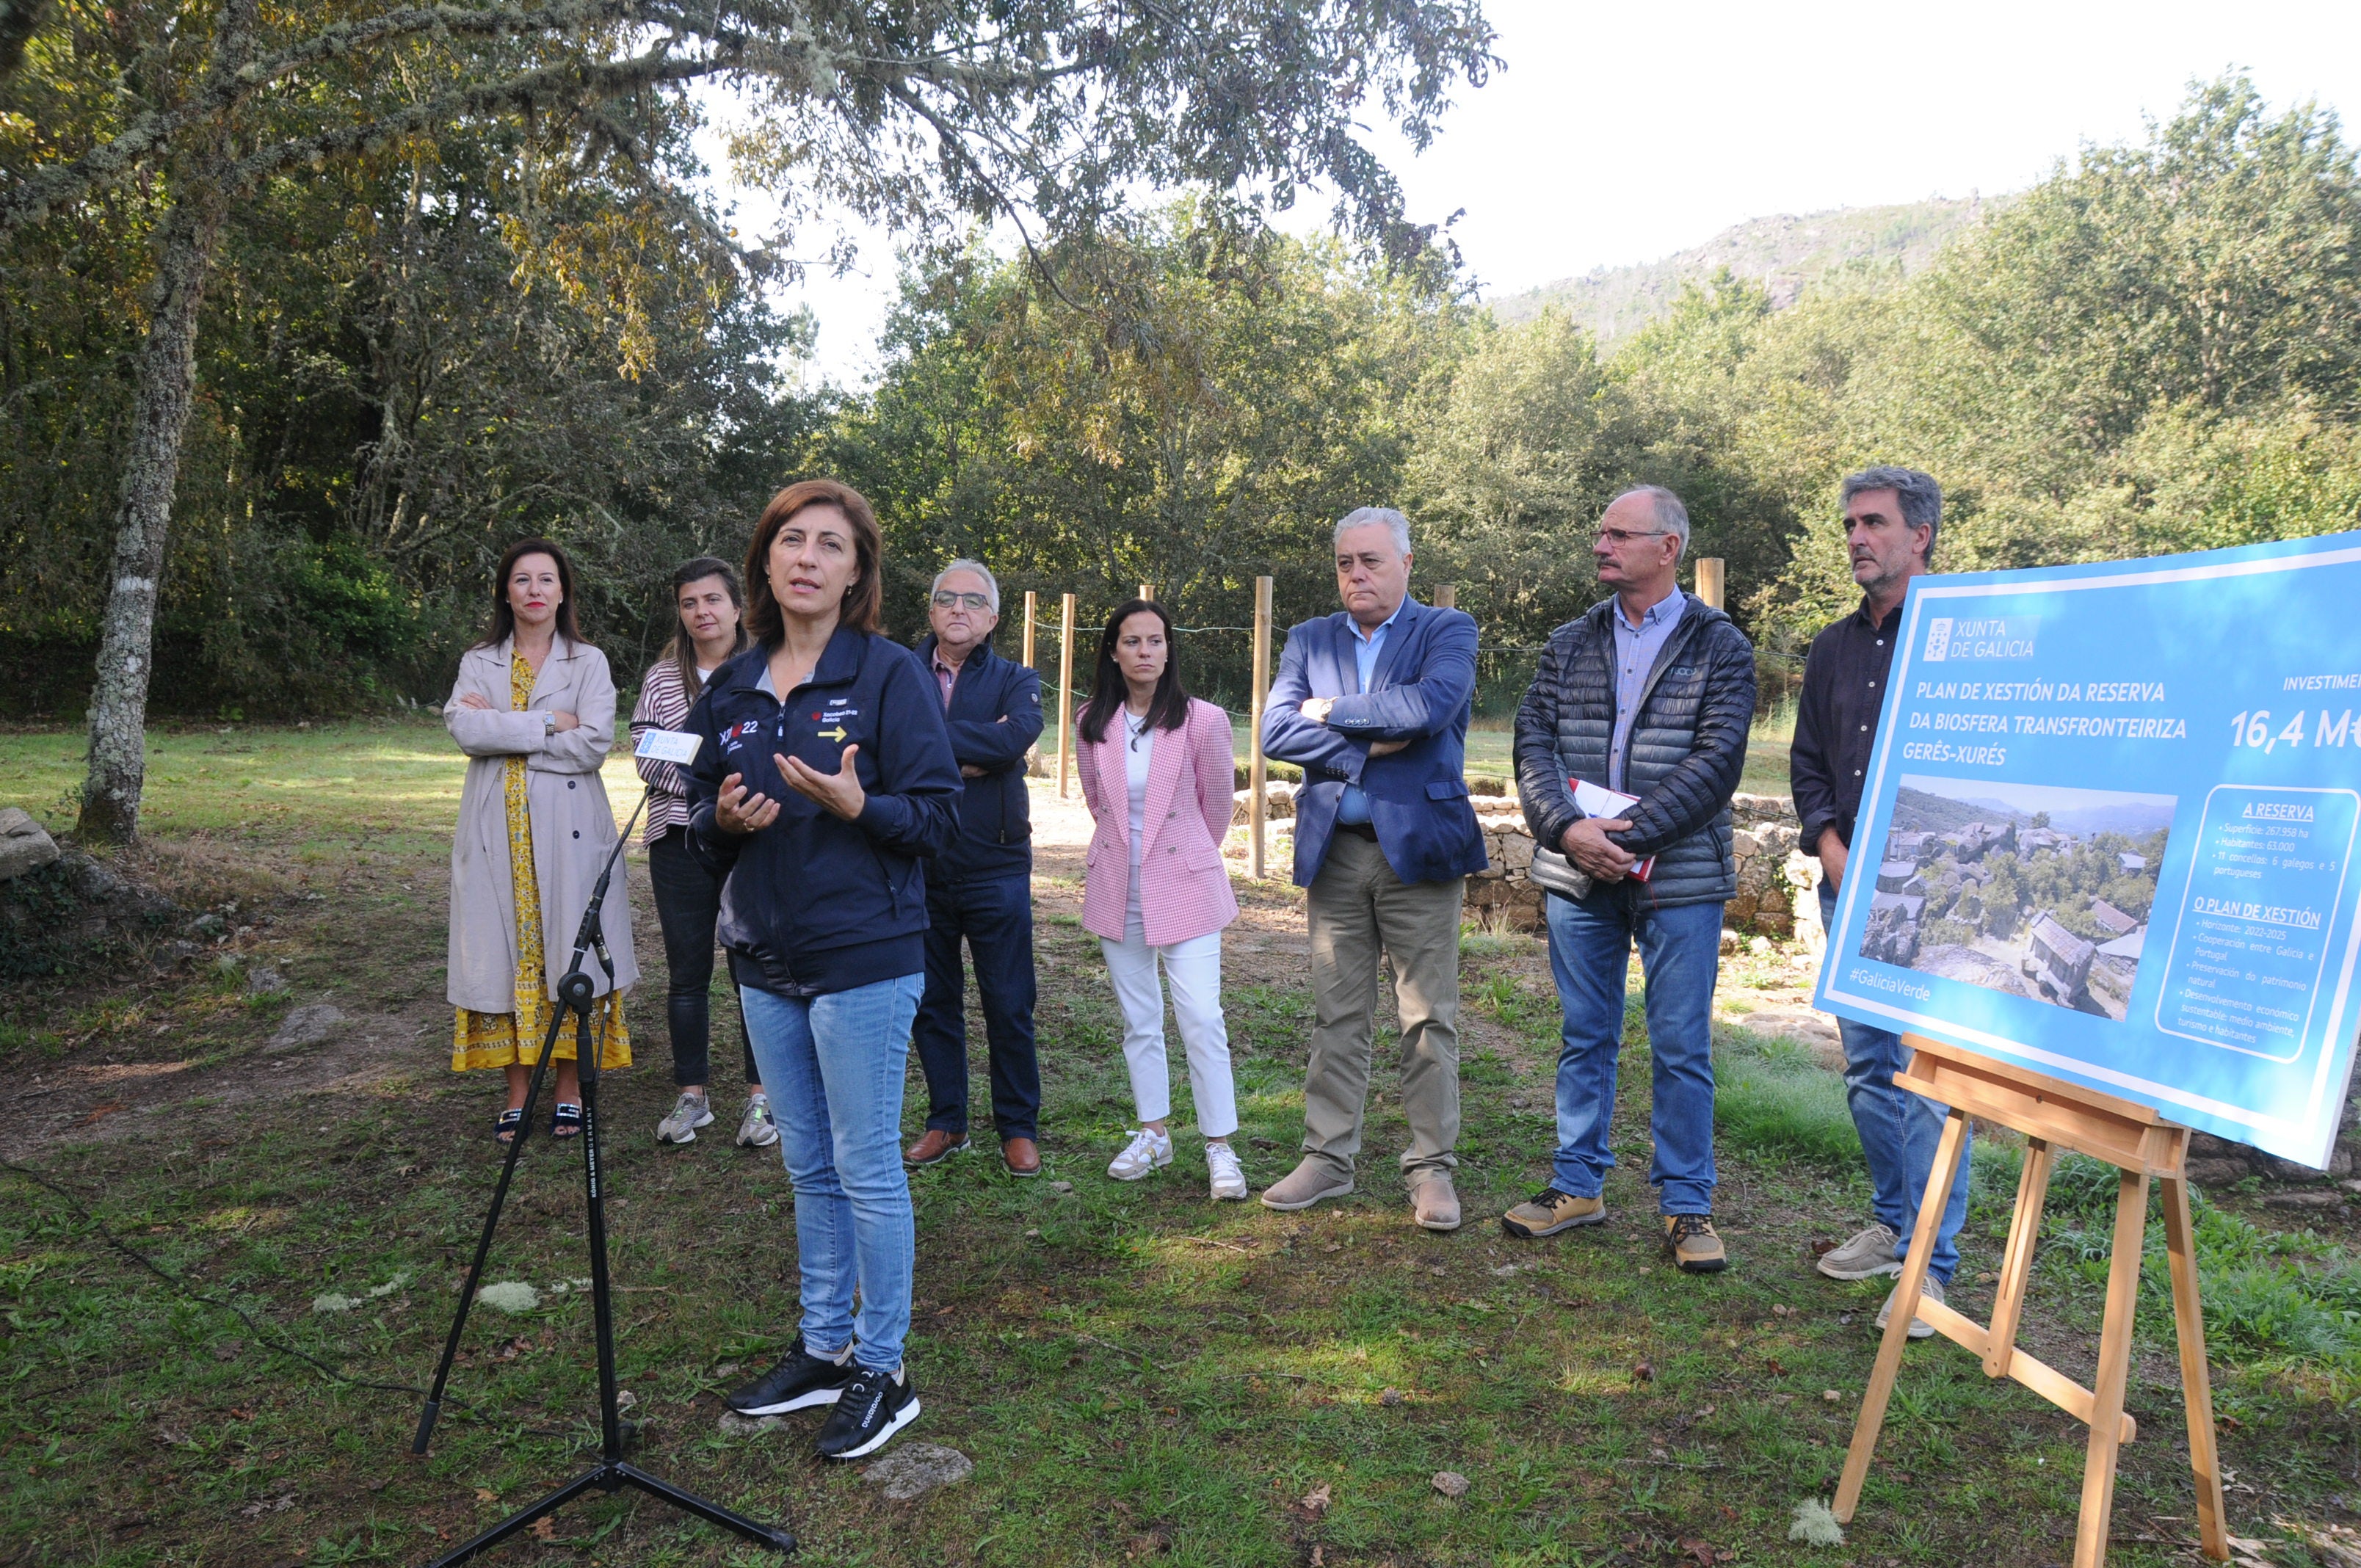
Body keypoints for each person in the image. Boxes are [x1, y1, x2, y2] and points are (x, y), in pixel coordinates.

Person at [689, 479, 962, 1461]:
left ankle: (882, 1372)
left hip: (864, 958)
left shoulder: (888, 678)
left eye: (830, 545)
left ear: (857, 573)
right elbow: (696, 832)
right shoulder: (730, 688)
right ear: (764, 562)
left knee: (865, 1164)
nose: (807, 556)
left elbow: (938, 820)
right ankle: (823, 1348)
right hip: (762, 957)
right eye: (790, 540)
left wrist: (861, 809)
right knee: (807, 1164)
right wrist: (718, 822)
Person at [1504, 486, 1755, 1274]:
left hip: (1678, 876)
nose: (1600, 545)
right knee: (1586, 1035)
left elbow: (1717, 761)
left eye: (1618, 534)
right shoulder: (1569, 641)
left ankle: (1687, 1206)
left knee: (1679, 1044)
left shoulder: (1722, 645)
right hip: (1578, 872)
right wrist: (1569, 831)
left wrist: (1631, 838)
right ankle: (1577, 1186)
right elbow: (1532, 742)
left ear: (1667, 546)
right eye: (1599, 531)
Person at [1261, 507, 1487, 1231]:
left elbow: (1429, 706)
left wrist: (1331, 711)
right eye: (1344, 563)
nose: (1356, 575)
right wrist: (1366, 745)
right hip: (1336, 854)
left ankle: (1431, 1170)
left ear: (1406, 563)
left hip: (1418, 852)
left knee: (1427, 1018)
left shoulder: (1446, 630)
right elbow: (1273, 731)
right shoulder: (1308, 638)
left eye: (1371, 561)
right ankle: (1327, 1158)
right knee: (1338, 1015)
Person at [1791, 465, 1968, 1337]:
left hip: (1929, 898)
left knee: (1929, 1080)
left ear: (1920, 535)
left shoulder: (1968, 637)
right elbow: (1807, 761)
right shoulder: (1833, 646)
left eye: (1873, 523)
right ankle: (1895, 1224)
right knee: (1868, 1069)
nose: (1857, 537)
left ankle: (1932, 1269)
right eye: (1850, 524)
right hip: (1845, 883)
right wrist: (1829, 848)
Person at [443, 538, 637, 1144]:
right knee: (500, 959)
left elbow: (595, 744)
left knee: (570, 952)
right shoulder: (480, 660)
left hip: (570, 834)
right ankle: (517, 1093)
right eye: (522, 579)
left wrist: (504, 730)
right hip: (495, 831)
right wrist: (552, 721)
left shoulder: (589, 662)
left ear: (563, 591)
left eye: (546, 580)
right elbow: (465, 730)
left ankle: (570, 1090)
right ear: (506, 591)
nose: (534, 590)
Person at [1074, 598, 1247, 1199]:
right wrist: (1133, 857)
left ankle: (1220, 1145)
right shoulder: (1092, 720)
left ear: (1169, 648)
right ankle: (1154, 1133)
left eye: (1155, 641)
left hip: (1188, 884)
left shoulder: (1203, 720)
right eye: (1132, 642)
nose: (1144, 652)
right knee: (1139, 1020)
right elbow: (1099, 802)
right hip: (1116, 884)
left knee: (1201, 1016)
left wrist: (1183, 857)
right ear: (1113, 652)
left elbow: (1217, 807)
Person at [905, 559, 1048, 1177]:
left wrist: (931, 745)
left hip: (996, 863)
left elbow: (1015, 738)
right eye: (946, 598)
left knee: (1009, 1002)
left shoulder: (1019, 678)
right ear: (931, 611)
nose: (958, 608)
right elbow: (890, 745)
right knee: (933, 1002)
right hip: (918, 863)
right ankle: (948, 1121)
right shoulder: (899, 672)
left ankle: (1017, 1127)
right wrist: (971, 749)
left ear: (992, 619)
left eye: (972, 601)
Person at [631, 557, 775, 1150]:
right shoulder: (663, 679)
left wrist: (716, 777)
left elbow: (769, 752)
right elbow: (646, 756)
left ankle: (761, 1099)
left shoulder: (766, 669)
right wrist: (714, 782)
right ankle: (693, 1096)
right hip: (677, 840)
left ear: (738, 607)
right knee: (687, 973)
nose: (702, 613)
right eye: (689, 603)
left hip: (754, 839)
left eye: (713, 600)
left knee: (754, 969)